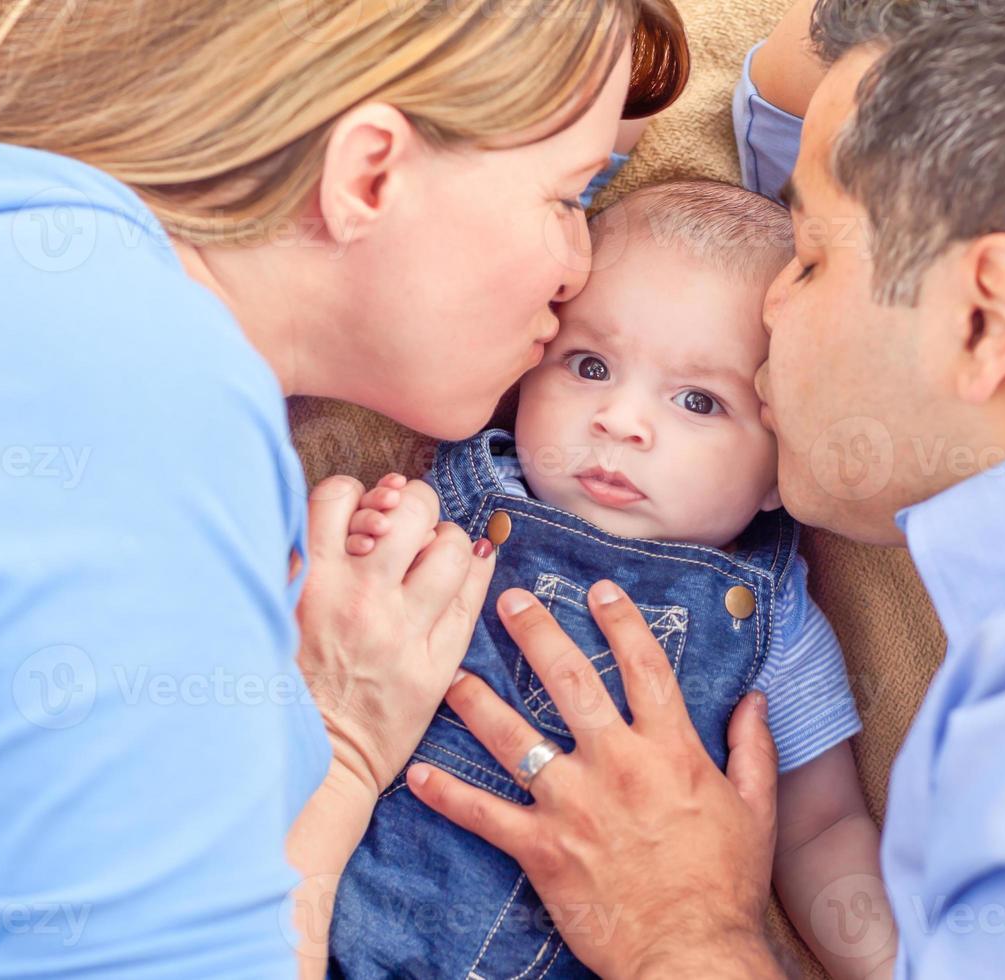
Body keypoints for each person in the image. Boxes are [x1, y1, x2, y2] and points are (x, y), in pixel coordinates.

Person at [404, 0, 1005, 977]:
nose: (768, 315)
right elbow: (815, 81)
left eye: (810, 259)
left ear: (985, 318)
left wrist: (683, 928)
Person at [0, 0, 685, 975]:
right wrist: (345, 748)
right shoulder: (133, 378)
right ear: (369, 172)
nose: (584, 269)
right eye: (573, 194)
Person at [330, 180, 895, 979]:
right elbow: (339, 650)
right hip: (337, 934)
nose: (621, 420)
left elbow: (821, 828)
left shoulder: (775, 622)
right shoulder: (450, 509)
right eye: (588, 365)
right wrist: (375, 547)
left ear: (784, 467)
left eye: (699, 400)